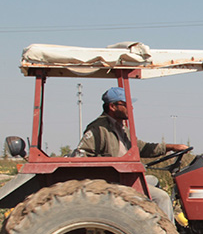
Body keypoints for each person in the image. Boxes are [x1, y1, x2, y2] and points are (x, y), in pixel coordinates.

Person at [73, 86, 187, 218]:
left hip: (123, 178)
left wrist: (171, 147)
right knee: (162, 198)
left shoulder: (122, 128)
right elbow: (80, 156)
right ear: (112, 106)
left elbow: (141, 147)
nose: (131, 108)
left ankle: (151, 220)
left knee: (153, 180)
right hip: (114, 181)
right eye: (126, 104)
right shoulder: (98, 129)